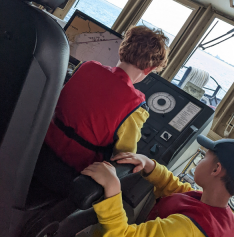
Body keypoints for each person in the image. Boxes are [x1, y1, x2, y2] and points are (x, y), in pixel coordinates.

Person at [81, 136, 234, 237]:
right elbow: (178, 190)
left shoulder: (185, 231)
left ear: (216, 169)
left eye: (204, 157)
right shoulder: (224, 216)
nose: (200, 160)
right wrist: (149, 164)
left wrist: (112, 189)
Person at [43, 26, 169, 174]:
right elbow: (125, 157)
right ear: (149, 69)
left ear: (121, 50)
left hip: (39, 147)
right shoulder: (135, 105)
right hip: (71, 172)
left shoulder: (86, 66)